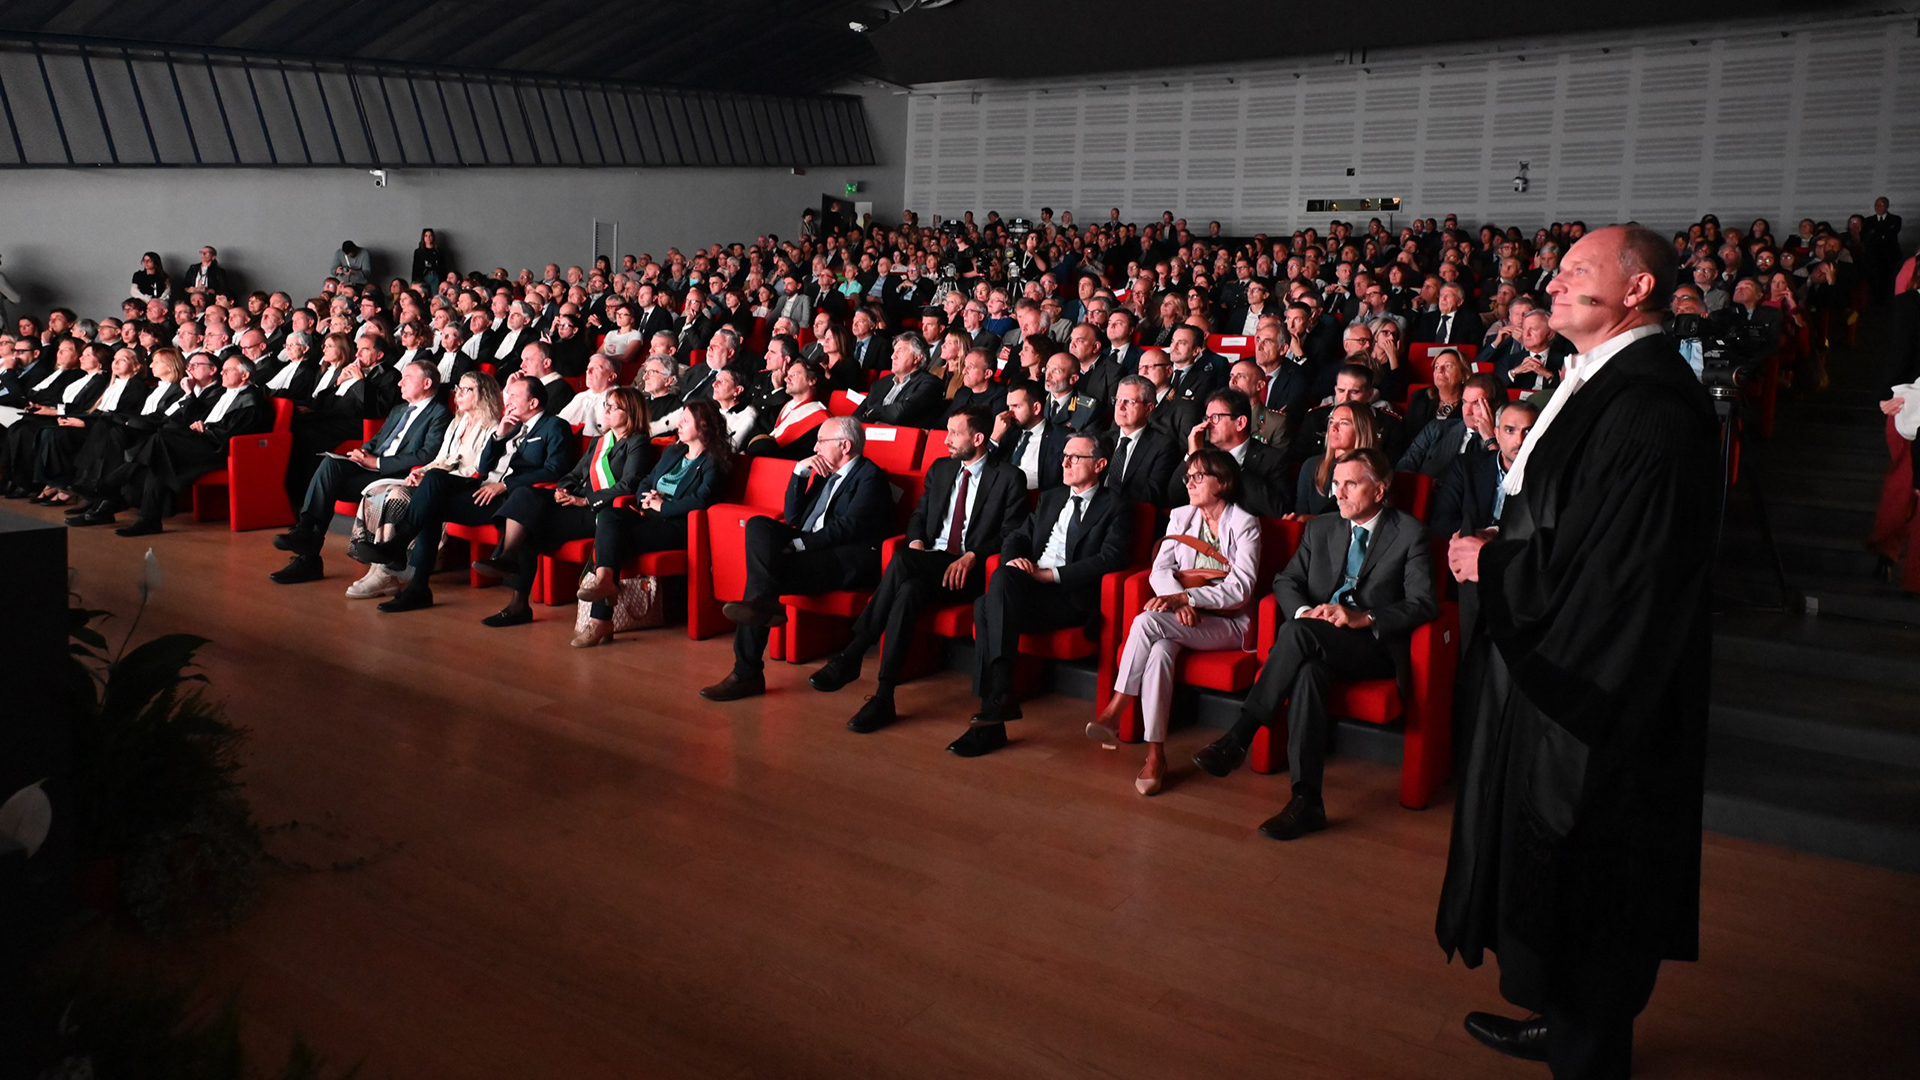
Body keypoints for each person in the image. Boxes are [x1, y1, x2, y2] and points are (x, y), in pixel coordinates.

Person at [1436, 225, 1718, 1080]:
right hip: (1559, 665)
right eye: (1555, 273)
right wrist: (1510, 540)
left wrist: (1502, 565)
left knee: (1594, 871)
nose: (1550, 285)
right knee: (1552, 870)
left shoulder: (1652, 404)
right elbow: (1570, 517)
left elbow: (1621, 572)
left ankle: (1587, 1049)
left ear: (1636, 290)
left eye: (1574, 273)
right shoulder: (1593, 378)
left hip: (1601, 686)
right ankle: (1560, 1022)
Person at [1191, 447, 1437, 836]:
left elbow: (1423, 603)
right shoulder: (1322, 527)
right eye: (1336, 484)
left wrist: (1364, 616)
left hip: (1370, 646)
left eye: (1350, 484)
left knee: (1298, 636)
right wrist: (1307, 612)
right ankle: (1306, 800)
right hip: (1315, 636)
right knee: (1307, 669)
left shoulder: (1409, 533)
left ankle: (1240, 735)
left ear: (1380, 490)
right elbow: (1286, 582)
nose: (1338, 493)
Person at [807, 408, 1028, 731]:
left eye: (955, 433)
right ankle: (884, 697)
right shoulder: (941, 469)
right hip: (928, 561)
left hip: (968, 571)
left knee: (901, 564)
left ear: (978, 438)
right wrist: (915, 543)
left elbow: (1011, 533)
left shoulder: (1008, 477)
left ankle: (854, 653)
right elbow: (919, 518)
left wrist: (973, 556)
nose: (947, 439)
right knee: (907, 587)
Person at [950, 431, 1134, 758]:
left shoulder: (1116, 506)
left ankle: (995, 708)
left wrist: (1047, 574)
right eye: (1064, 455)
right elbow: (1016, 538)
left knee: (985, 606)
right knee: (994, 592)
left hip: (1069, 597)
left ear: (1100, 464)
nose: (1065, 462)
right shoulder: (1051, 498)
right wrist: (1015, 560)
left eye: (1075, 457)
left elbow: (1110, 559)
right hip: (1027, 587)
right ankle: (995, 707)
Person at [1090, 448, 1261, 795]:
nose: (1190, 483)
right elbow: (1160, 570)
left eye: (1199, 477)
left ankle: (1116, 707)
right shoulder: (1181, 516)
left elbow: (1241, 588)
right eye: (1188, 477)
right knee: (1160, 653)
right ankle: (1156, 755)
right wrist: (1176, 600)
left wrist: (1187, 598)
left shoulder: (1245, 524)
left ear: (1223, 482)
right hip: (1182, 619)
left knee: (1147, 621)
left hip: (1227, 625)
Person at [702, 417, 894, 701]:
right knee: (757, 525)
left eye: (821, 441)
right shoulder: (825, 473)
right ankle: (763, 607)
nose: (815, 447)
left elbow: (849, 528)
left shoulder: (871, 477)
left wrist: (799, 544)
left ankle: (747, 672)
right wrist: (799, 472)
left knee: (760, 582)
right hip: (812, 548)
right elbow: (793, 517)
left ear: (845, 445)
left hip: (842, 559)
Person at [376, 374, 577, 613]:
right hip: (484, 490)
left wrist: (505, 486)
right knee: (434, 483)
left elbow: (555, 470)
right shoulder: (511, 425)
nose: (508, 399)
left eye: (513, 396)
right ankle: (412, 574)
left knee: (439, 501)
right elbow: (483, 468)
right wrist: (500, 435)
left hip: (510, 498)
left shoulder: (555, 426)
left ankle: (404, 557)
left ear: (533, 403)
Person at [472, 387, 653, 629]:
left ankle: (514, 591)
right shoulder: (600, 442)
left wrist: (586, 501)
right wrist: (564, 490)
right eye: (606, 405)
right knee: (526, 496)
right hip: (574, 504)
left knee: (530, 525)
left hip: (599, 512)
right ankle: (507, 559)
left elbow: (628, 484)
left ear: (631, 413)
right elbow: (573, 474)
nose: (606, 410)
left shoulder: (637, 442)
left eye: (613, 407)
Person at [268, 359, 453, 584]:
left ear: (426, 383)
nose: (400, 383)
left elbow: (426, 456)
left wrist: (376, 463)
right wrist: (362, 451)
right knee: (331, 465)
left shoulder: (439, 414)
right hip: (371, 469)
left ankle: (309, 556)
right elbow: (377, 439)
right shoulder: (399, 410)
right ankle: (306, 533)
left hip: (395, 476)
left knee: (329, 481)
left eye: (408, 378)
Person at [577, 399, 732, 646]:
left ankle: (600, 621)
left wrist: (663, 506)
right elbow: (645, 481)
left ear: (703, 427)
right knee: (608, 516)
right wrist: (645, 499)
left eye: (685, 421)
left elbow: (702, 500)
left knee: (613, 542)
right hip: (648, 514)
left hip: (678, 527)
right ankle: (605, 581)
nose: (678, 425)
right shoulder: (673, 451)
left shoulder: (713, 461)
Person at [341, 371, 503, 600]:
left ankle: (388, 570)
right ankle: (377, 567)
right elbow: (439, 458)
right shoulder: (459, 422)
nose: (459, 393)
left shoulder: (493, 428)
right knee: (378, 492)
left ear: (483, 395)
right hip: (438, 479)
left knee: (398, 495)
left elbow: (476, 470)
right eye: (459, 388)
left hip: (461, 484)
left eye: (467, 389)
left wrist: (434, 475)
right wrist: (421, 472)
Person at [82, 355, 273, 536]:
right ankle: (146, 518)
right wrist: (202, 424)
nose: (222, 373)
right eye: (222, 370)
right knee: (159, 454)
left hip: (221, 450)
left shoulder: (251, 399)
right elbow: (203, 418)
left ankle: (109, 487)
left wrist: (206, 429)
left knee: (160, 442)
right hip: (204, 443)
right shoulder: (228, 393)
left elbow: (235, 432)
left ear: (245, 375)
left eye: (227, 370)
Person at [1179, 388, 1292, 516]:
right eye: (1207, 418)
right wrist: (1194, 455)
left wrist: (1232, 466)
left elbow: (1279, 510)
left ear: (1240, 423)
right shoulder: (1204, 451)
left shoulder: (1273, 459)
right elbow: (1173, 497)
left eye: (1215, 417)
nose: (1208, 424)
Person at [1105, 375, 1182, 507]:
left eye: (1129, 401)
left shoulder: (1163, 446)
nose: (1120, 407)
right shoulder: (1103, 440)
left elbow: (1152, 493)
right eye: (1118, 400)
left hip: (1130, 514)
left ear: (1149, 408)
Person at [1295, 402, 1379, 516]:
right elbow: (1301, 514)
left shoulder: (1375, 470)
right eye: (1331, 422)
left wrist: (1314, 521)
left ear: (1361, 429)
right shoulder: (1312, 466)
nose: (1333, 428)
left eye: (1343, 423)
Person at [852, 333, 946, 428]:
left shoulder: (931, 383)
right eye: (894, 351)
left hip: (902, 439)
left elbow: (900, 413)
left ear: (917, 358)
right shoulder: (880, 383)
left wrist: (871, 413)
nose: (893, 356)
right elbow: (856, 416)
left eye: (900, 351)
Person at [745, 359, 829, 459]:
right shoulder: (778, 409)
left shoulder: (821, 419)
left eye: (794, 375)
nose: (786, 379)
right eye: (788, 375)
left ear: (812, 380)